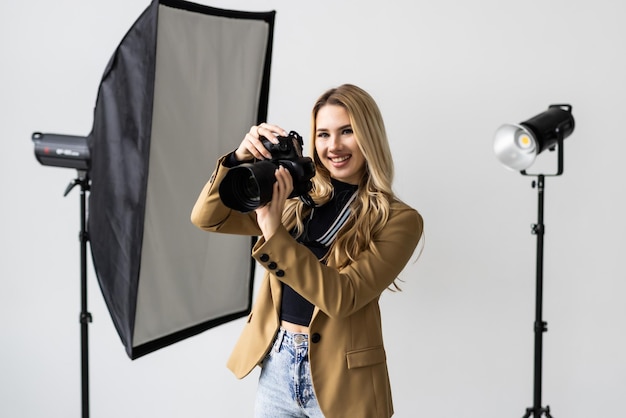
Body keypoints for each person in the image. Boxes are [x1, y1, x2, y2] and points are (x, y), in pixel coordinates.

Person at [191, 84, 423, 418]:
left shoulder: (398, 220)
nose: (334, 146)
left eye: (347, 131)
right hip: (277, 361)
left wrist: (273, 231)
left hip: (344, 378)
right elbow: (207, 218)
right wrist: (237, 158)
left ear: (369, 135)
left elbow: (343, 298)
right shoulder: (296, 200)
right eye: (323, 134)